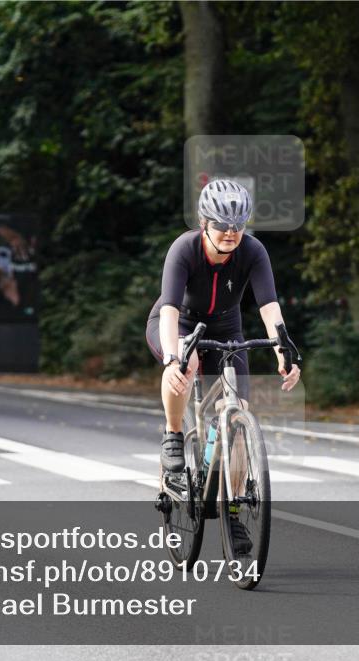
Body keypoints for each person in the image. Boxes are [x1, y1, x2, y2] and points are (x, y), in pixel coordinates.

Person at [145, 179, 301, 549]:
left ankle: (232, 516)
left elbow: (269, 306)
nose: (230, 234)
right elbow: (168, 309)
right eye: (221, 225)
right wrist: (172, 358)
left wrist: (284, 349)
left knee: (238, 414)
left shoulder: (253, 251)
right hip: (179, 322)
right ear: (204, 223)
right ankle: (173, 435)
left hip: (227, 326)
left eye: (238, 226)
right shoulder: (184, 249)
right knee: (186, 361)